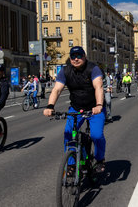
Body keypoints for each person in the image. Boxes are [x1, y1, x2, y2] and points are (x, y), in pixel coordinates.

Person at [43, 46, 106, 174]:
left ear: (85, 56)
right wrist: (50, 106)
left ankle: (100, 159)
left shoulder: (93, 69)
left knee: (96, 135)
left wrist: (99, 105)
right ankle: (71, 165)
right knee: (68, 134)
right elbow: (57, 89)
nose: (76, 59)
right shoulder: (65, 71)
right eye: (73, 56)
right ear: (70, 58)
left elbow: (98, 87)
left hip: (94, 109)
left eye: (79, 56)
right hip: (76, 108)